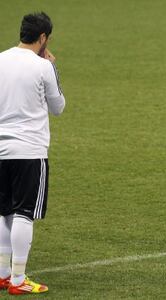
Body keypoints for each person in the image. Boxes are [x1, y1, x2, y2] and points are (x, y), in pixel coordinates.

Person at [0, 12, 65, 295]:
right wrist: (51, 65)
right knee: (24, 213)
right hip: (29, 149)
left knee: (2, 213)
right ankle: (18, 280)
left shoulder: (0, 59)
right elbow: (58, 106)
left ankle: (2, 275)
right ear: (43, 38)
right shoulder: (42, 67)